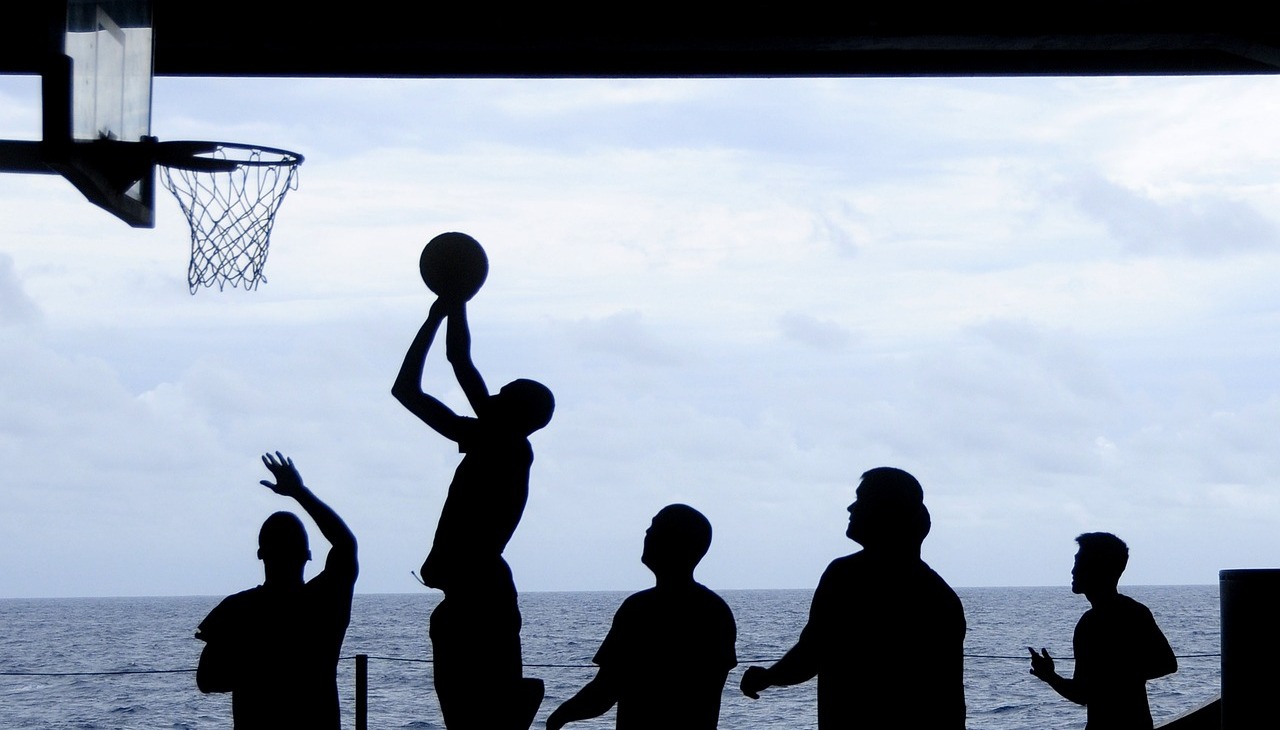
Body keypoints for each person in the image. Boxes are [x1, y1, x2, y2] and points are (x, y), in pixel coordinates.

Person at [392, 296, 554, 730]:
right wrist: (440, 314)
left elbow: (458, 361)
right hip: (474, 597)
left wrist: (450, 304)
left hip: (481, 599)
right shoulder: (491, 440)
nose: (493, 395)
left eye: (504, 394)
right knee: (468, 716)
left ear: (517, 413)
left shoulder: (508, 447)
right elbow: (409, 389)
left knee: (477, 717)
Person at [739, 467, 966, 728]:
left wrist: (768, 676)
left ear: (885, 512)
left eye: (861, 499)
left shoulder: (844, 576)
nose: (851, 508)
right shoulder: (941, 596)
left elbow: (811, 654)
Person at [195, 452, 359, 730]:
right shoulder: (325, 601)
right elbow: (345, 544)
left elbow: (208, 680)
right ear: (307, 555)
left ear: (261, 554)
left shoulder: (236, 609)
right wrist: (299, 492)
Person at [546, 504, 737, 730]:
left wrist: (558, 717)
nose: (647, 533)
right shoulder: (716, 611)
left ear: (673, 543)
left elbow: (605, 691)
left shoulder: (639, 609)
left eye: (654, 528)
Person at [1028, 532, 1177, 730]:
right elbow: (1167, 664)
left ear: (1097, 569)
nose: (1073, 571)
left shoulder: (1090, 624)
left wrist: (1049, 676)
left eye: (1079, 563)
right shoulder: (1136, 611)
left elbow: (1081, 694)